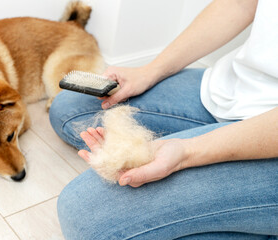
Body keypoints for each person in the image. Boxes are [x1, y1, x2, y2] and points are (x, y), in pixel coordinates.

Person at [49, 0, 278, 239]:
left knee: (85, 217)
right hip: (235, 89)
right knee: (69, 109)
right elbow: (241, 4)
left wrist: (187, 151)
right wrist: (150, 72)